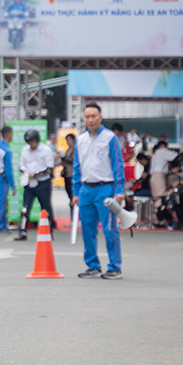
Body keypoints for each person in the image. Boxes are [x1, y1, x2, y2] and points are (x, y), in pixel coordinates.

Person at [72, 101, 126, 279]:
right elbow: (77, 167)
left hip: (106, 189)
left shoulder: (110, 138)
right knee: (87, 230)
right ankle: (93, 265)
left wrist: (119, 190)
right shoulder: (80, 139)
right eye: (87, 117)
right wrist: (75, 192)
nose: (90, 119)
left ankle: (115, 266)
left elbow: (118, 165)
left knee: (110, 229)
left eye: (93, 116)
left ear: (100, 117)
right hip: (86, 190)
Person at [14, 128, 57, 240]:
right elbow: (21, 165)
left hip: (43, 182)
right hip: (29, 182)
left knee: (45, 208)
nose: (31, 144)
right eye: (29, 142)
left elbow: (49, 169)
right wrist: (25, 172)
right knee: (25, 207)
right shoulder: (25, 150)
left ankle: (49, 231)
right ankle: (22, 232)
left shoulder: (46, 150)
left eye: (32, 142)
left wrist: (36, 174)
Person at [59, 133, 77, 211]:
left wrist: (64, 157)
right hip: (67, 174)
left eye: (69, 140)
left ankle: (76, 217)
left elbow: (72, 160)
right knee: (69, 195)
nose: (68, 142)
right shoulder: (68, 149)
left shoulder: (76, 149)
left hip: (72, 174)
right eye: (67, 140)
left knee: (73, 195)